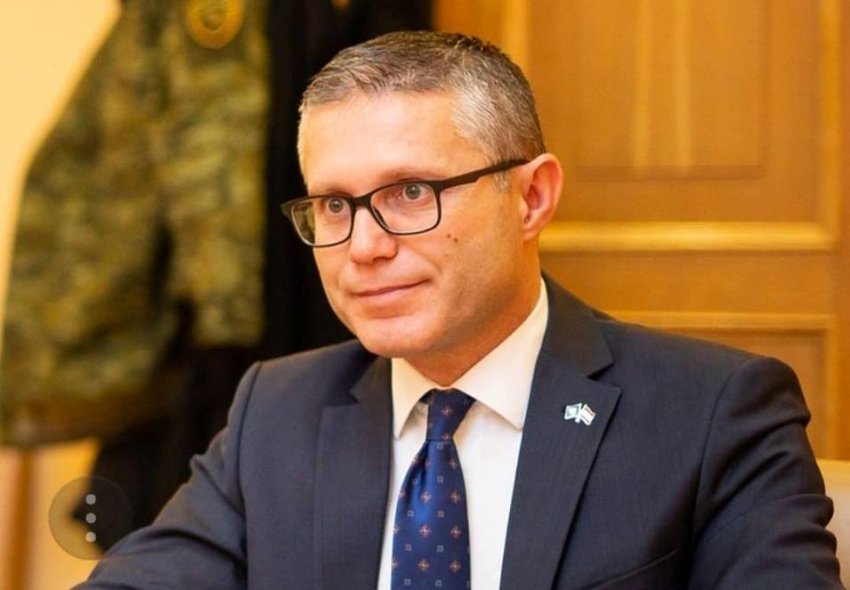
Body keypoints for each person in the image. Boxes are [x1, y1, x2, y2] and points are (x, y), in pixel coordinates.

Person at [78, 31, 842, 589]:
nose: (364, 246)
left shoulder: (712, 414)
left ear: (531, 198)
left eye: (411, 193)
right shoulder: (276, 412)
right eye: (334, 205)